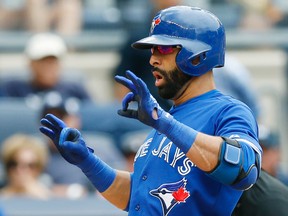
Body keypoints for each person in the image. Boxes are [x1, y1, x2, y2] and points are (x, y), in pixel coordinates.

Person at [39, 6, 262, 216]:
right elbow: (136, 197)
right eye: (152, 49)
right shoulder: (170, 118)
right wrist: (87, 161)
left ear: (197, 56)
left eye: (164, 48)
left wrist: (164, 122)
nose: (153, 59)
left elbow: (244, 169)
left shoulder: (228, 110)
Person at [1, 32, 91, 102]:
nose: (48, 68)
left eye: (52, 62)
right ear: (31, 63)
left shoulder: (74, 90)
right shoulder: (13, 89)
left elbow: (92, 115)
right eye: (42, 62)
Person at [0, 133, 51, 199]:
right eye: (13, 164)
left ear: (39, 168)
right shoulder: (2, 199)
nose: (20, 170)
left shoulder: (50, 199)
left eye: (30, 165)